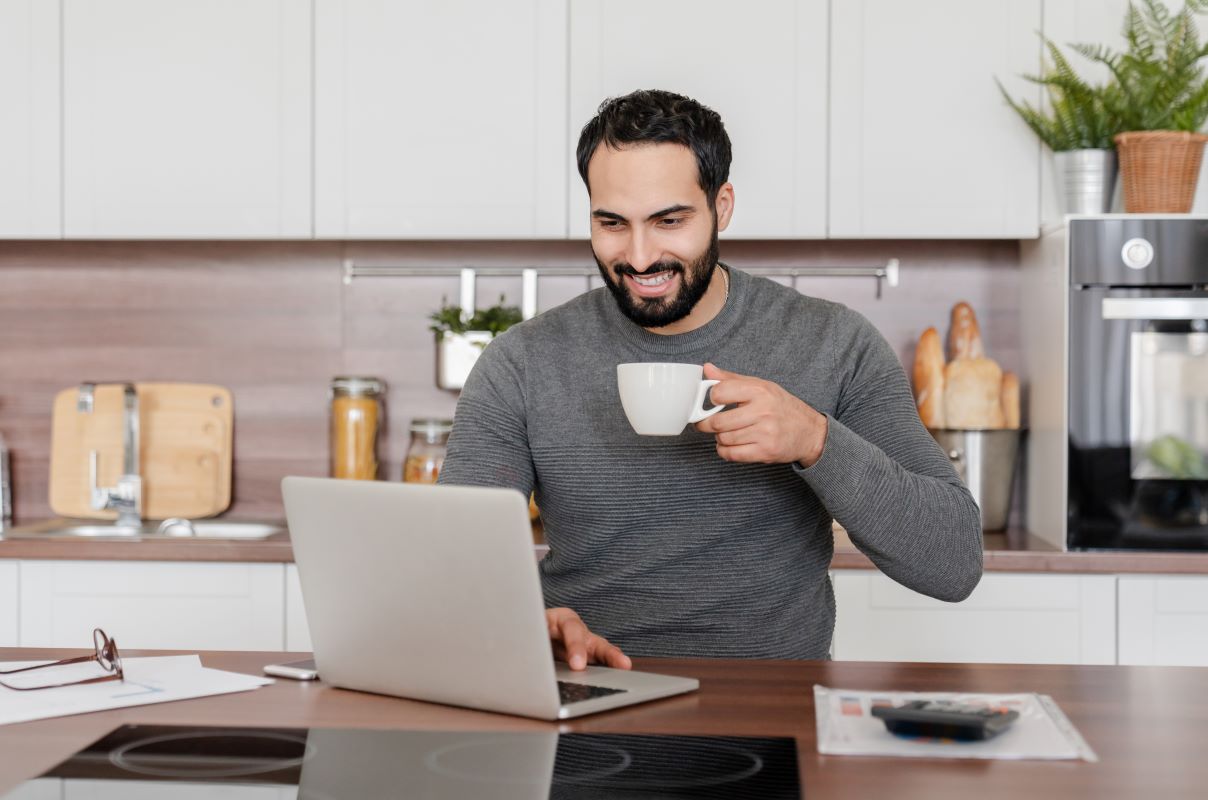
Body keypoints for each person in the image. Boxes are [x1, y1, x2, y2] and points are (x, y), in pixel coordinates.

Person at [438, 89, 982, 669]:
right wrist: (525, 623)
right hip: (586, 706)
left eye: (669, 221)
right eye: (612, 223)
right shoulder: (521, 363)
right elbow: (453, 569)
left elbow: (953, 564)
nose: (641, 256)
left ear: (721, 207)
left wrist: (816, 440)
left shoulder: (834, 344)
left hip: (776, 722)